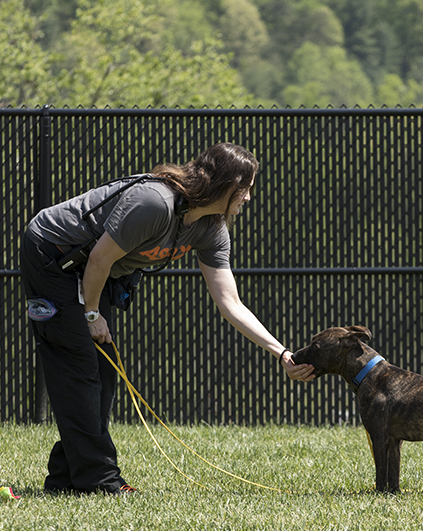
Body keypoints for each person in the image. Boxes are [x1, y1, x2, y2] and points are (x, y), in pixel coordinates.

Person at [20, 142, 314, 495]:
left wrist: (281, 353)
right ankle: (99, 482)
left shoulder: (211, 229)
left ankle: (66, 478)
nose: (249, 197)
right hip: (54, 256)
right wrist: (92, 313)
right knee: (80, 366)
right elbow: (99, 259)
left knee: (102, 372)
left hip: (94, 273)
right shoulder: (154, 203)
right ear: (226, 183)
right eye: (246, 188)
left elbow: (230, 301)